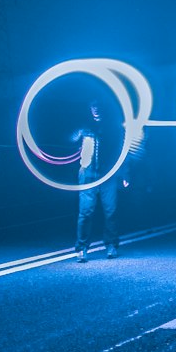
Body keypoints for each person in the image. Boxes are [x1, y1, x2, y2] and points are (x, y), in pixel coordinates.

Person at [72, 101, 120, 261]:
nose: (96, 108)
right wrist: (78, 133)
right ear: (89, 108)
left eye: (99, 105)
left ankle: (112, 245)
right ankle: (81, 248)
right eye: (93, 105)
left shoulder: (112, 126)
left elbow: (121, 149)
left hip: (108, 173)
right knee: (85, 212)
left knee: (110, 211)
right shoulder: (83, 125)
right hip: (87, 173)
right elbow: (68, 140)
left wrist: (124, 173)